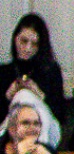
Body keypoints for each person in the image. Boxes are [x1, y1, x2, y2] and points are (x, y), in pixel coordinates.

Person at [2, 13, 65, 141]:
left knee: (25, 95)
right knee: (22, 96)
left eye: (34, 44)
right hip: (13, 132)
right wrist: (8, 97)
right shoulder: (4, 72)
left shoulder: (51, 71)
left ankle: (37, 146)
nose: (28, 48)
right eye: (24, 41)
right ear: (15, 39)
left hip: (47, 130)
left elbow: (60, 114)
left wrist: (39, 94)